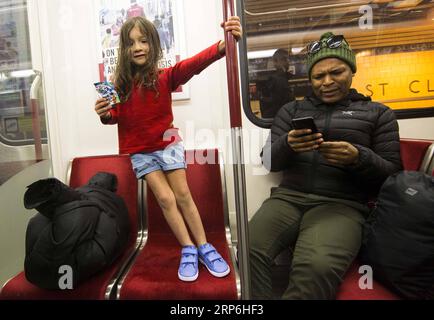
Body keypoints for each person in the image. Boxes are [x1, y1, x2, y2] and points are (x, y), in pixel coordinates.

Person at [249, 32, 403, 299]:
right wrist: (288, 144)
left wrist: (358, 157)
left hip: (343, 204)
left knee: (315, 267)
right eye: (318, 77)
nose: (327, 82)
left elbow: (393, 176)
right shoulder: (292, 111)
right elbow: (268, 162)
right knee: (249, 248)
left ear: (351, 71)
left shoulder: (378, 114)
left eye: (336, 72)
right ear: (310, 79)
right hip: (288, 198)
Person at [94, 16, 242, 282]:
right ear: (124, 50)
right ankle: (188, 248)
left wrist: (224, 44)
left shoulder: (165, 76)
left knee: (183, 194)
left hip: (168, 145)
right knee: (165, 199)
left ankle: (204, 246)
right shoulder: (118, 87)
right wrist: (104, 113)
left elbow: (195, 64)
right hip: (140, 152)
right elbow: (113, 116)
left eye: (143, 41)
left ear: (153, 44)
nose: (137, 47)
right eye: (130, 43)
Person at [259, 48, 294, 118]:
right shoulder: (277, 80)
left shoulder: (283, 78)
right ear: (276, 62)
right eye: (284, 59)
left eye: (288, 59)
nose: (288, 62)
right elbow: (281, 104)